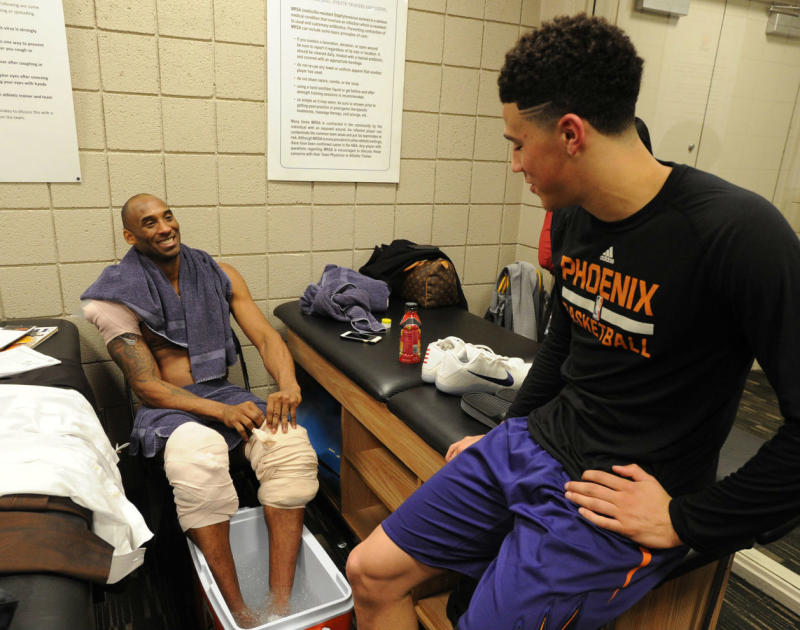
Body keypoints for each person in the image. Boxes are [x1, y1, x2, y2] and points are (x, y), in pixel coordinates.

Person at [345, 14, 800, 630]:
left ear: (569, 134)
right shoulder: (573, 216)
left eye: (515, 143)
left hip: (618, 497)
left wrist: (689, 520)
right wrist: (509, 432)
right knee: (370, 572)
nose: (513, 164)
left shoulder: (738, 234)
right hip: (534, 444)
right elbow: (566, 341)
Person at [81, 194, 318, 627]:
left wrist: (288, 386)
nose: (164, 227)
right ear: (130, 236)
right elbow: (147, 386)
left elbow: (266, 337)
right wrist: (218, 412)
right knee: (200, 458)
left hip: (222, 393)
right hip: (166, 407)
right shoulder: (114, 296)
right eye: (149, 222)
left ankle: (281, 606)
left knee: (291, 446)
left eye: (168, 215)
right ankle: (239, 613)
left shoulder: (218, 274)